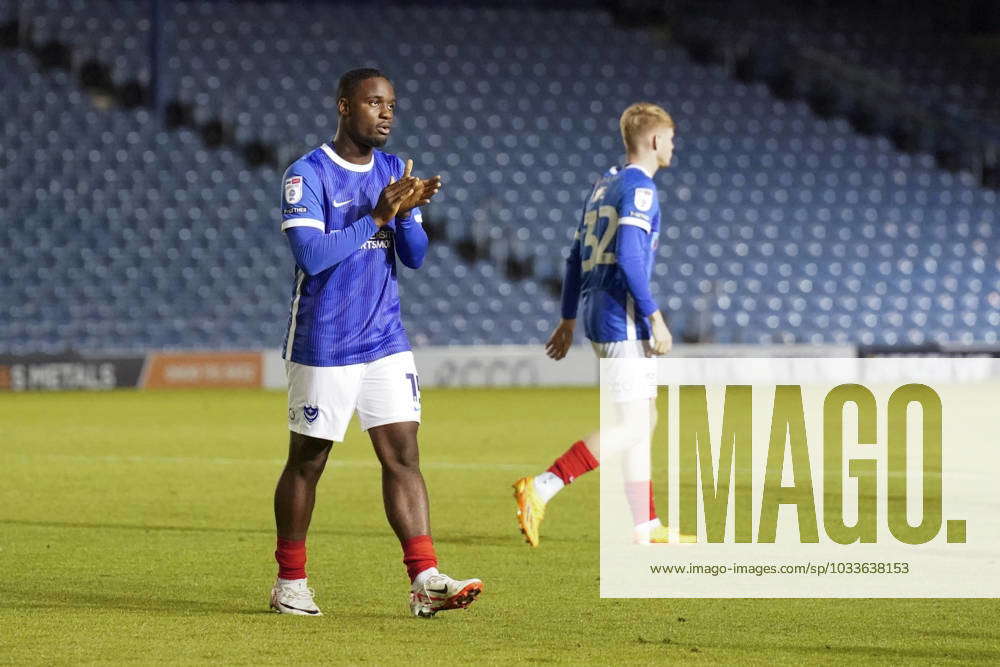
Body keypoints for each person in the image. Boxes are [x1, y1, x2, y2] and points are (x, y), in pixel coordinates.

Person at [270, 68, 482, 617]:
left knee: (404, 455)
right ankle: (289, 582)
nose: (386, 112)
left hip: (385, 336)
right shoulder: (308, 173)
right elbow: (312, 258)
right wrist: (380, 213)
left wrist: (407, 215)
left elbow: (413, 255)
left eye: (391, 104)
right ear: (344, 106)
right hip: (325, 339)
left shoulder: (393, 169)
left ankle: (425, 579)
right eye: (373, 102)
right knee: (309, 461)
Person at [513, 102, 685, 547]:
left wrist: (568, 317)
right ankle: (543, 486)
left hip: (597, 310)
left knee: (643, 417)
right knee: (631, 423)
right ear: (652, 140)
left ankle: (646, 525)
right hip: (620, 316)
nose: (672, 145)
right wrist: (655, 316)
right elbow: (629, 256)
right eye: (669, 137)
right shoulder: (640, 187)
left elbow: (574, 258)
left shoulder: (602, 185)